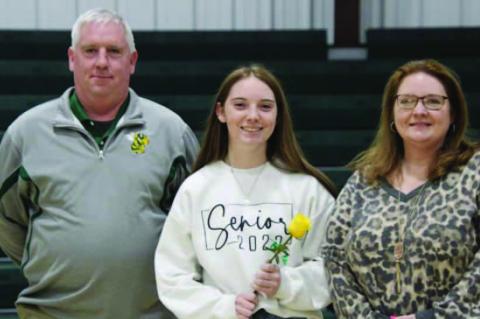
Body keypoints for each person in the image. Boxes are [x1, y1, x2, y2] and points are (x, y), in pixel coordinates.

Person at [0, 8, 198, 319]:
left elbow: (194, 222)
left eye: (114, 51)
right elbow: (7, 219)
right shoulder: (25, 134)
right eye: (90, 50)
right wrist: (42, 260)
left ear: (132, 61)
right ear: (72, 58)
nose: (102, 62)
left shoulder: (172, 133)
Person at [154, 64, 336, 319]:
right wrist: (225, 307)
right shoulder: (195, 190)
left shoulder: (308, 190)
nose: (253, 116)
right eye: (240, 105)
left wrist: (285, 283)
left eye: (265, 106)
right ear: (221, 112)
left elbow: (334, 271)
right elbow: (172, 276)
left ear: (278, 115)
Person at [322, 59, 480, 318]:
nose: (419, 110)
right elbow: (333, 256)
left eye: (433, 101)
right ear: (392, 114)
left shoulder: (475, 172)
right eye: (406, 101)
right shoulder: (364, 179)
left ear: (453, 114)